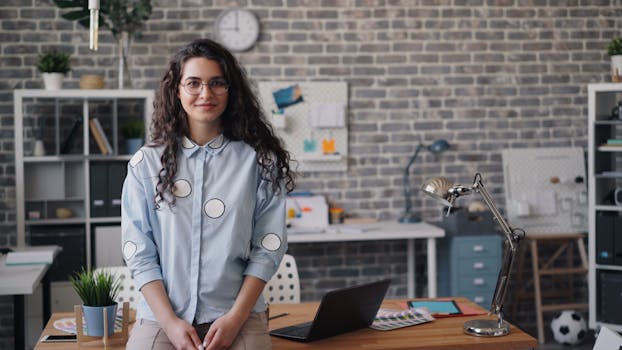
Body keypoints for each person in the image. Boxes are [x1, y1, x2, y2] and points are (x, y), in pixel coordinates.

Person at [121, 38, 295, 350]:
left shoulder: (259, 161)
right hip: (164, 316)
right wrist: (171, 324)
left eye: (217, 83)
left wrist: (235, 318)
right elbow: (139, 251)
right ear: (177, 90)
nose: (206, 93)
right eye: (194, 83)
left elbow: (268, 247)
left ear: (231, 90)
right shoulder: (146, 164)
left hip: (236, 315)